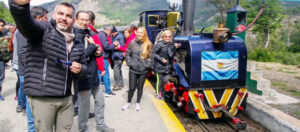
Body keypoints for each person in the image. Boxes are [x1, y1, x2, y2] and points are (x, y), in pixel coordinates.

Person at [9, 1, 87, 131]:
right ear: (53, 15)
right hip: (44, 97)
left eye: (68, 15)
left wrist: (80, 69)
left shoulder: (77, 40)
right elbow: (25, 23)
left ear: (73, 20)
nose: (63, 18)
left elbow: (84, 67)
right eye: (60, 13)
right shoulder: (43, 29)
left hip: (67, 98)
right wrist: (19, 6)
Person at [74, 11, 114, 132]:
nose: (84, 22)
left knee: (100, 102)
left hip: (94, 75)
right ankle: (82, 129)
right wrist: (92, 47)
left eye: (87, 20)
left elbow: (94, 53)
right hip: (82, 77)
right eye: (82, 19)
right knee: (84, 107)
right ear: (76, 20)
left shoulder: (90, 33)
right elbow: (78, 57)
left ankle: (100, 125)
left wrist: (98, 53)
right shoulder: (74, 35)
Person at [14, 6, 49, 132]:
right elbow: (23, 53)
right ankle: (32, 128)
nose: (47, 20)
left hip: (32, 70)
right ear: (38, 18)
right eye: (46, 18)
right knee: (31, 101)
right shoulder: (25, 31)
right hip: (29, 71)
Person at [122, 27, 153, 111]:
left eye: (141, 33)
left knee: (140, 87)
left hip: (143, 70)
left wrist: (147, 65)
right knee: (132, 88)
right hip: (133, 69)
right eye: (138, 32)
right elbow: (127, 54)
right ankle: (128, 103)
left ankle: (137, 103)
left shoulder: (148, 44)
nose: (139, 34)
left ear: (144, 34)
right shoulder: (132, 43)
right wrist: (130, 63)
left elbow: (151, 57)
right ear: (136, 33)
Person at [150, 30, 181, 99]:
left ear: (171, 37)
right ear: (163, 37)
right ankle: (158, 93)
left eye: (169, 36)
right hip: (159, 66)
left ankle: (161, 91)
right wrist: (161, 59)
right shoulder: (159, 44)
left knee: (165, 80)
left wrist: (175, 47)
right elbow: (153, 53)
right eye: (166, 36)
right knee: (159, 81)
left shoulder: (171, 44)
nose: (167, 38)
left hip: (167, 67)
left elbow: (171, 54)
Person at [97, 25, 116, 96]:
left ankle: (98, 91)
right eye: (110, 31)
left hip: (101, 56)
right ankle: (107, 91)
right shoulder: (103, 35)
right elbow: (106, 46)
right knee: (105, 74)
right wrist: (114, 45)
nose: (110, 33)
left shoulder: (101, 34)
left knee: (100, 74)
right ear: (108, 30)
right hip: (103, 57)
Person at [111, 26, 125, 91]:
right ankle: (121, 84)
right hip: (116, 56)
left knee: (116, 70)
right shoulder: (116, 36)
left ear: (113, 32)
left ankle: (118, 85)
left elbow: (121, 46)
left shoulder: (120, 36)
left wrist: (113, 46)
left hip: (118, 56)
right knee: (118, 70)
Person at [0, 18, 7, 101]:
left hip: (1, 59)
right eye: (1, 25)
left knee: (1, 77)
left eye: (3, 25)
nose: (2, 27)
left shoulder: (3, 34)